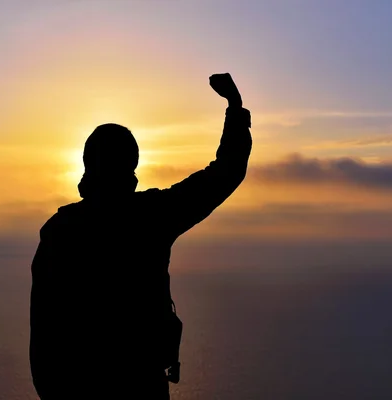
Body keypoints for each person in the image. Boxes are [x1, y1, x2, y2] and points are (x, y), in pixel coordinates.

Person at [29, 73, 252, 399]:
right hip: (141, 388)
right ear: (132, 166)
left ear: (88, 165)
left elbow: (44, 337)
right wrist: (235, 107)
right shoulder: (151, 216)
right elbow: (226, 172)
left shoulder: (59, 232)